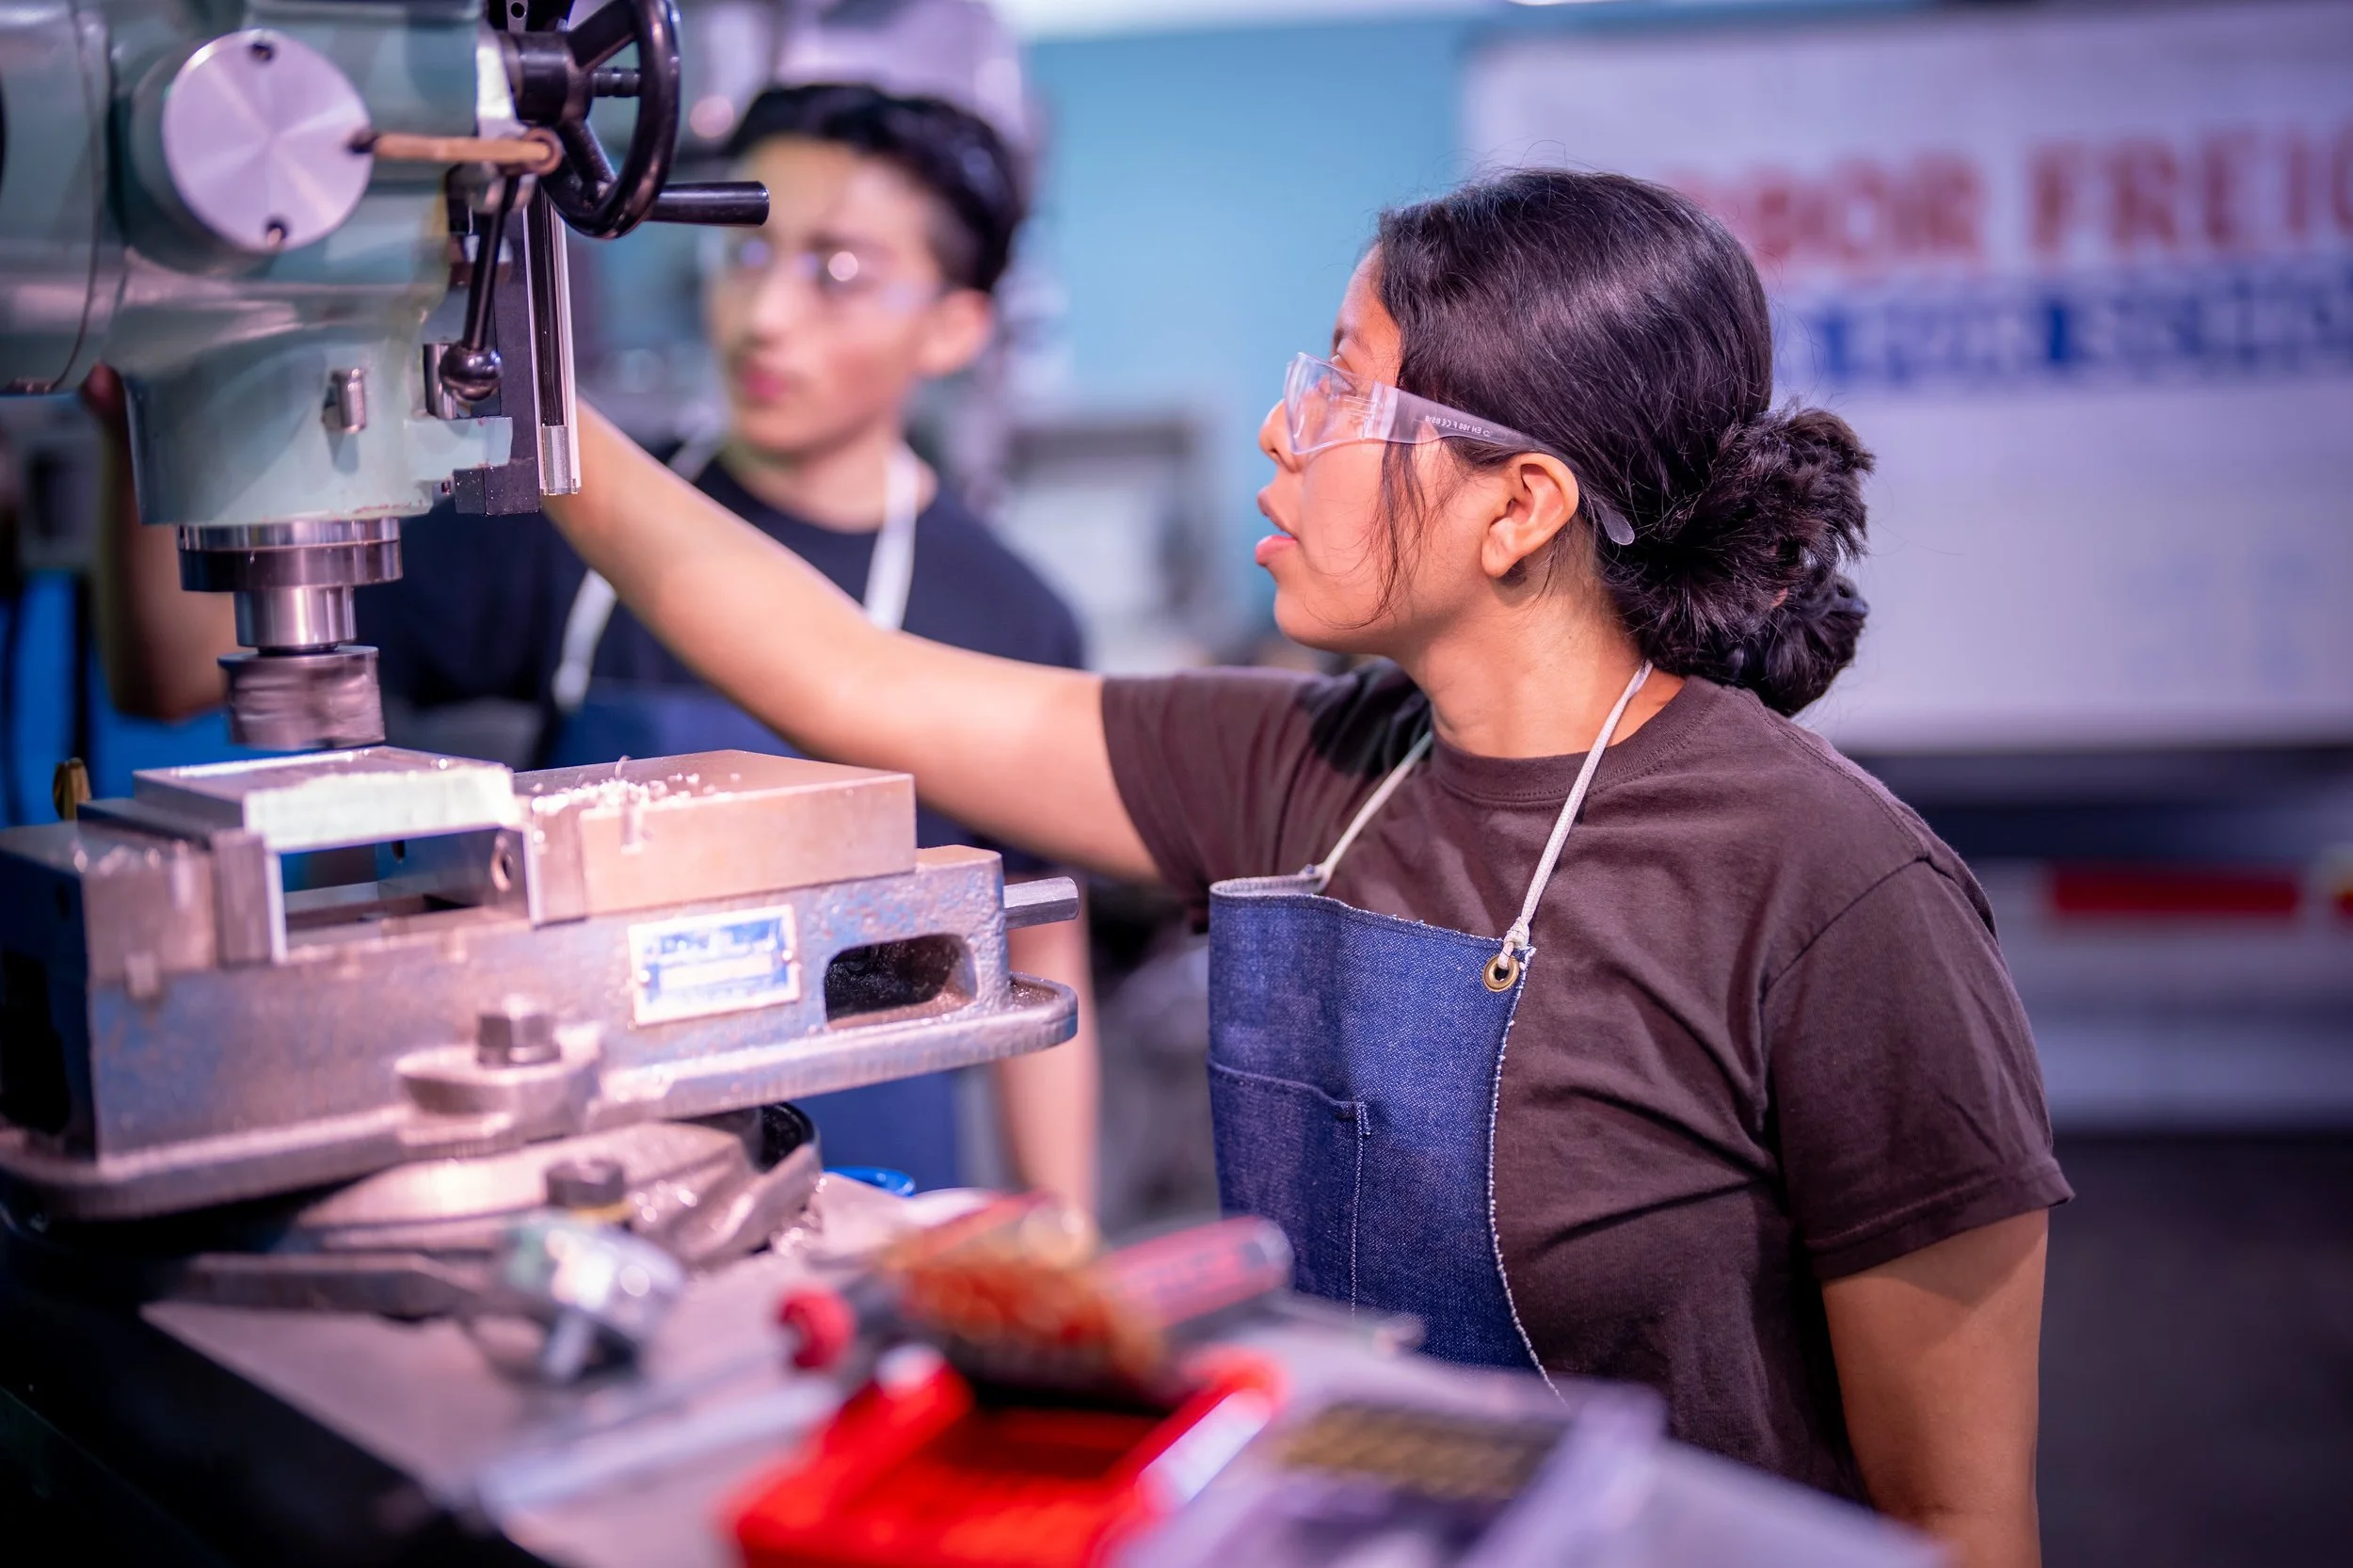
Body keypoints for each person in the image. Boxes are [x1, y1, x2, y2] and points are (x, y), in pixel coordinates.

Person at [539, 168, 2070, 1565]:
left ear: (1518, 508)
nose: (1289, 425)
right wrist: (520, 389)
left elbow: (1957, 1512)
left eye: (1345, 381)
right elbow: (845, 676)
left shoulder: (1832, 889)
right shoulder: (1309, 768)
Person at [94, 84, 1098, 1209]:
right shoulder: (562, 521)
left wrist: (1063, 1233)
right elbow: (172, 670)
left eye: (839, 272)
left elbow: (1042, 938)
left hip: (885, 1190)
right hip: (590, 1181)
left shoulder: (1008, 610)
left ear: (956, 325)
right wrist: (159, 402)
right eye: (749, 258)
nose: (763, 316)